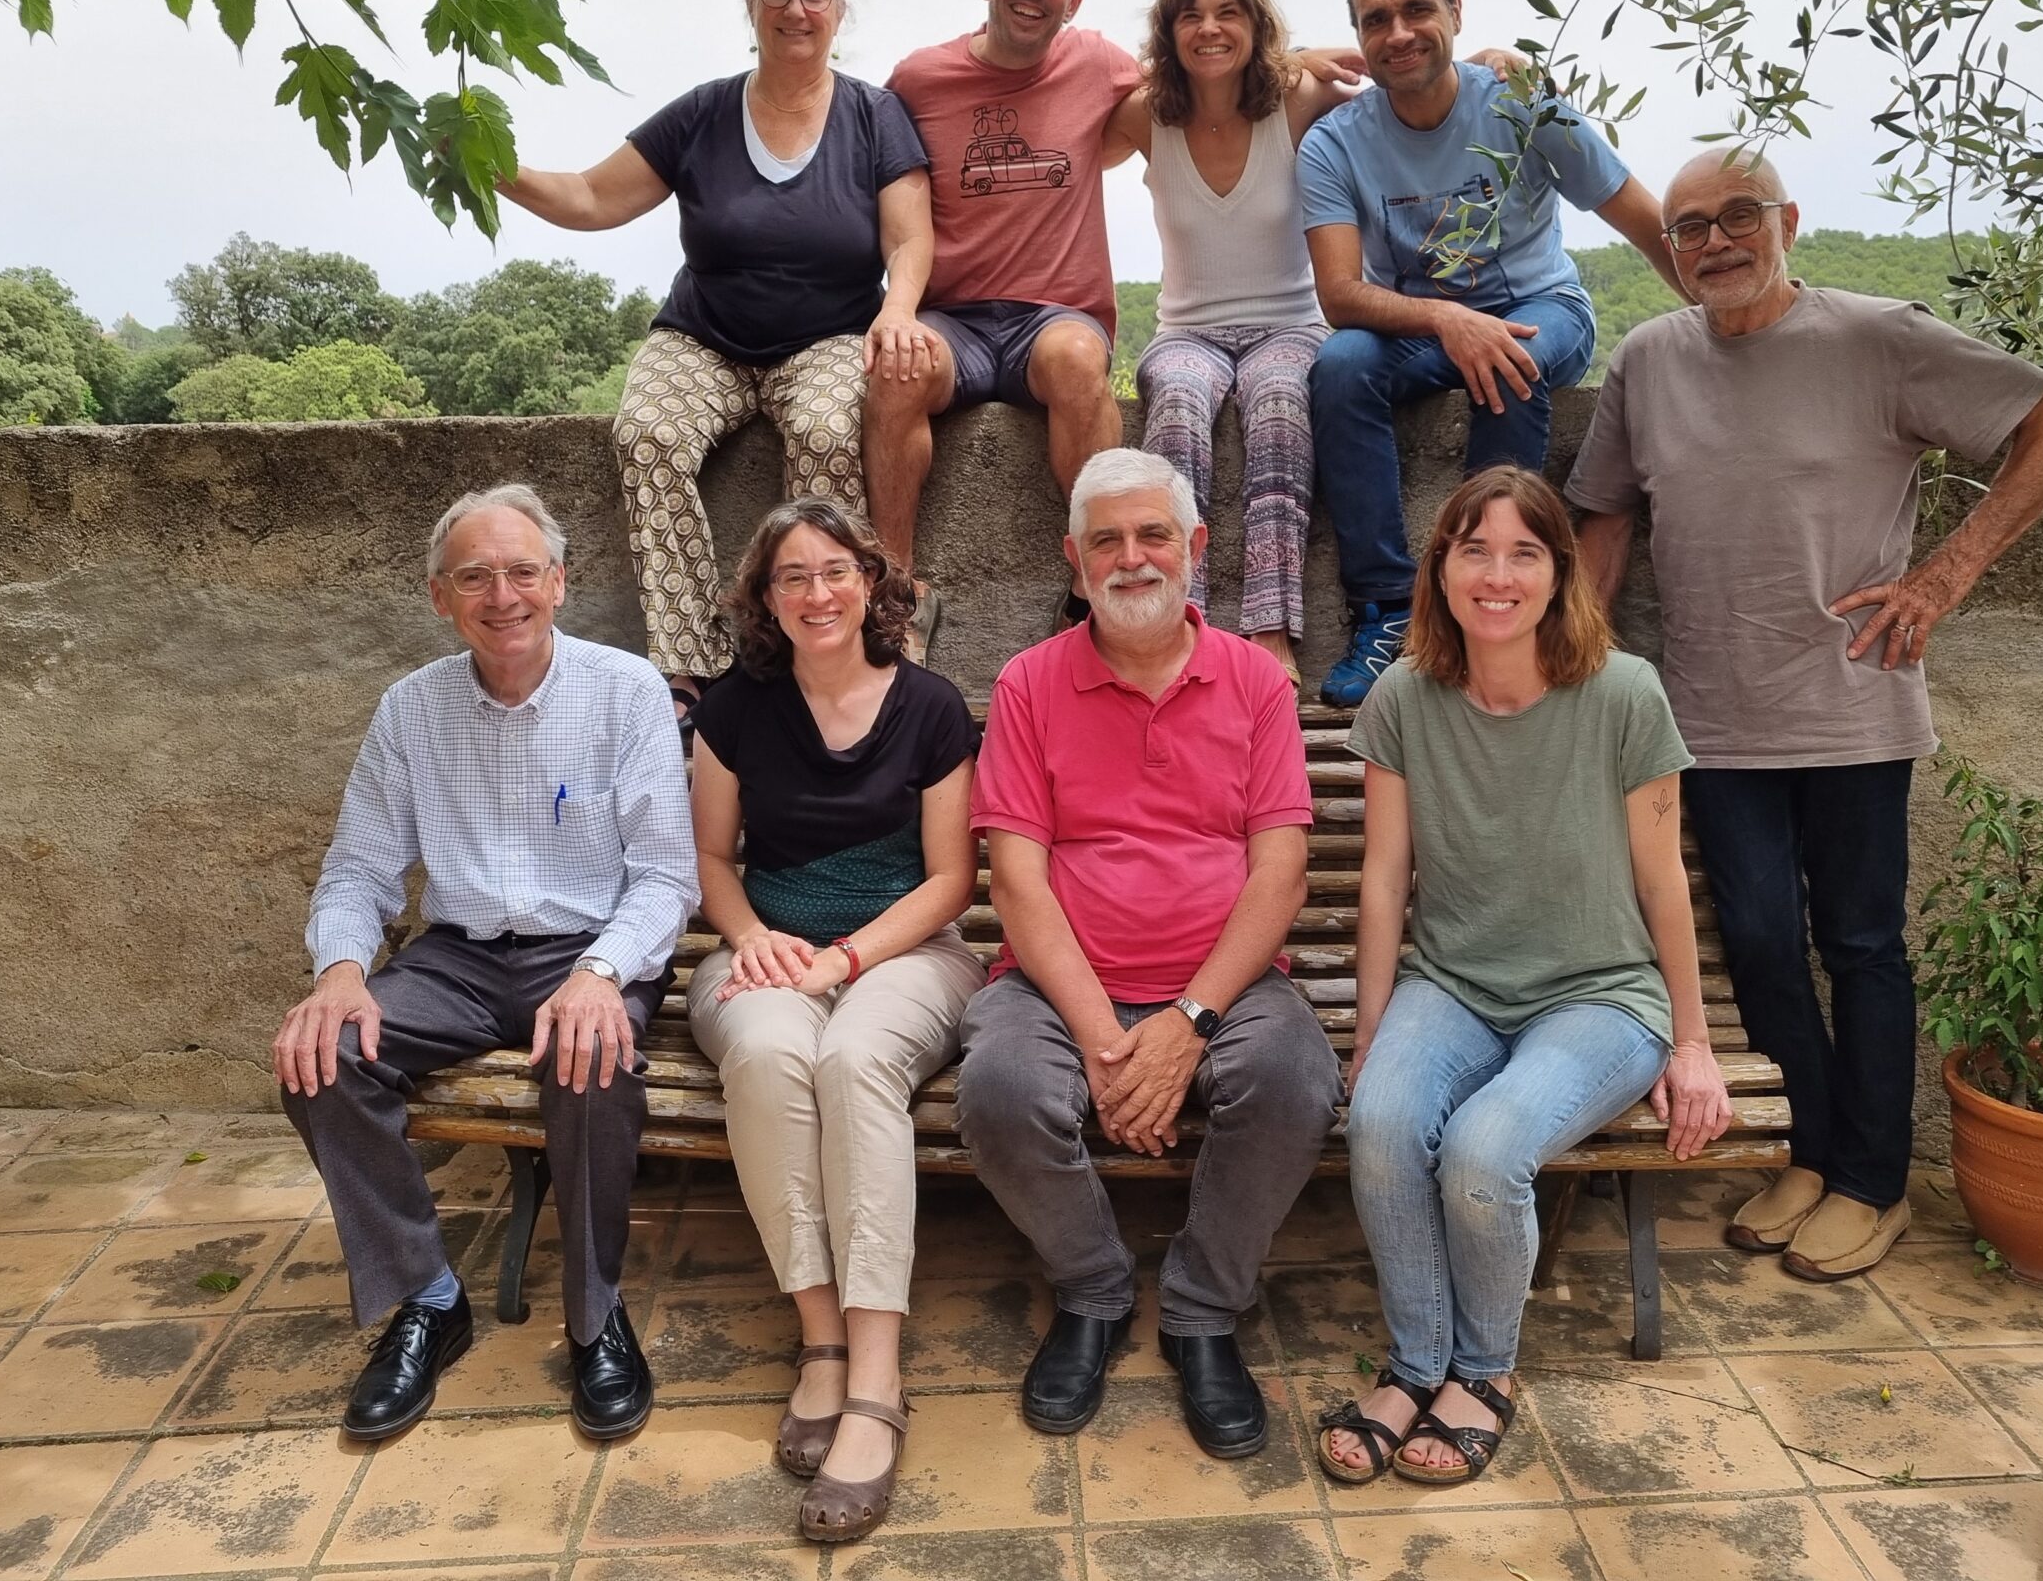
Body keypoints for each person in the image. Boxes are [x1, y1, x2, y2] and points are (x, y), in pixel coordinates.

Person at [1568, 148, 2043, 1281]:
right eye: (1689, 224)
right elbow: (1601, 516)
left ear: (1788, 221)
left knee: (1859, 946)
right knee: (1757, 942)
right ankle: (1808, 1152)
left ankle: (1873, 1180)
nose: (1713, 241)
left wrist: (1942, 578)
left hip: (1852, 705)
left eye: (1736, 216)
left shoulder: (1878, 337)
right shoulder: (1649, 358)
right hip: (1704, 716)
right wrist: (1577, 652)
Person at [1316, 465, 1731, 1487]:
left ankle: (1485, 1373)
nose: (1496, 576)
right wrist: (1373, 1034)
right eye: (1474, 550)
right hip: (1454, 982)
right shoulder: (1405, 694)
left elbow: (1660, 879)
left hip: (1598, 997)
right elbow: (1382, 879)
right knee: (1377, 1120)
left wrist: (1691, 1043)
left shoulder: (1622, 693)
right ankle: (1416, 1364)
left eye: (1523, 553)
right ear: (1442, 568)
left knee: (1484, 1144)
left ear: (1558, 573)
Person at [275, 484, 698, 1443]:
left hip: (589, 952)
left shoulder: (625, 689)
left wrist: (601, 974)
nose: (500, 594)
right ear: (440, 598)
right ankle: (425, 1295)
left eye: (520, 572)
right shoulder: (410, 710)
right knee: (322, 1055)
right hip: (457, 960)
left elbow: (667, 877)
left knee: (591, 1066)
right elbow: (358, 865)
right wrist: (339, 967)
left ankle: (595, 1316)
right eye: (474, 577)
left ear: (559, 582)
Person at [956, 447, 1345, 1458]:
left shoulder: (1255, 682)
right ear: (1075, 562)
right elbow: (1018, 882)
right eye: (1107, 542)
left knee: (1295, 1080)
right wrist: (1102, 1036)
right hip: (1056, 984)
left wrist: (1187, 1024)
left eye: (1153, 535)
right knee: (999, 1091)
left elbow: (1279, 878)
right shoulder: (1029, 683)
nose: (1132, 559)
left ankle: (1202, 1311)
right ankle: (1091, 1290)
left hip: (1224, 983)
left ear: (1194, 548)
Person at [498, 0, 933, 727]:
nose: (796, 9)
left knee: (829, 433)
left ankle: (815, 645)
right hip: (704, 336)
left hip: (832, 335)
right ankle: (692, 669)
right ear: (751, 2)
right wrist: (495, 165)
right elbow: (593, 196)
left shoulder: (875, 117)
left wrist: (899, 311)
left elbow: (911, 238)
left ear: (839, 10)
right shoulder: (703, 113)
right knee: (647, 434)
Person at [685, 498, 983, 1544]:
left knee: (854, 1056)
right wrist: (753, 938)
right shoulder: (732, 710)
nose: (817, 593)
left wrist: (851, 958)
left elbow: (952, 879)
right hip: (769, 945)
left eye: (835, 571)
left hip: (906, 953)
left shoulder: (934, 707)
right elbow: (714, 861)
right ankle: (818, 1341)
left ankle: (875, 1379)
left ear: (872, 582)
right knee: (769, 1055)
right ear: (766, 600)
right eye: (792, 577)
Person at [1298, 0, 1684, 707]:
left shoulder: (1519, 101)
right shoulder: (1335, 143)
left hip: (1541, 307)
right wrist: (1446, 320)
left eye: (1416, 9)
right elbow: (1340, 296)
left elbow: (1637, 214)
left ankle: (1483, 600)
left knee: (1513, 359)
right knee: (1339, 367)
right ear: (1359, 36)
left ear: (1457, 12)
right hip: (1424, 326)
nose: (1398, 33)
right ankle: (1387, 612)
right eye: (1376, 19)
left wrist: (1733, 319)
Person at [864, 0, 1137, 641]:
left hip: (1054, 316)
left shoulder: (1102, 63)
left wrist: (1302, 63)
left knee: (1081, 361)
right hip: (953, 320)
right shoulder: (919, 80)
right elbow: (885, 190)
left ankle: (1094, 589)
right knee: (894, 369)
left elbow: (1214, 87)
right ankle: (897, 590)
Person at [1102, 0, 1341, 683]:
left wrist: (1493, 59)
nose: (1210, 28)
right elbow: (1069, 115)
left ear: (1255, 22)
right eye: (1192, 15)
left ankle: (1271, 630)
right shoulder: (1146, 116)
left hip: (1291, 324)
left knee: (1277, 397)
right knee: (1173, 395)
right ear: (1169, 30)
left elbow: (1398, 81)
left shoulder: (1296, 99)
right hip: (1188, 334)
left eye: (1228, 12)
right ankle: (1179, 619)